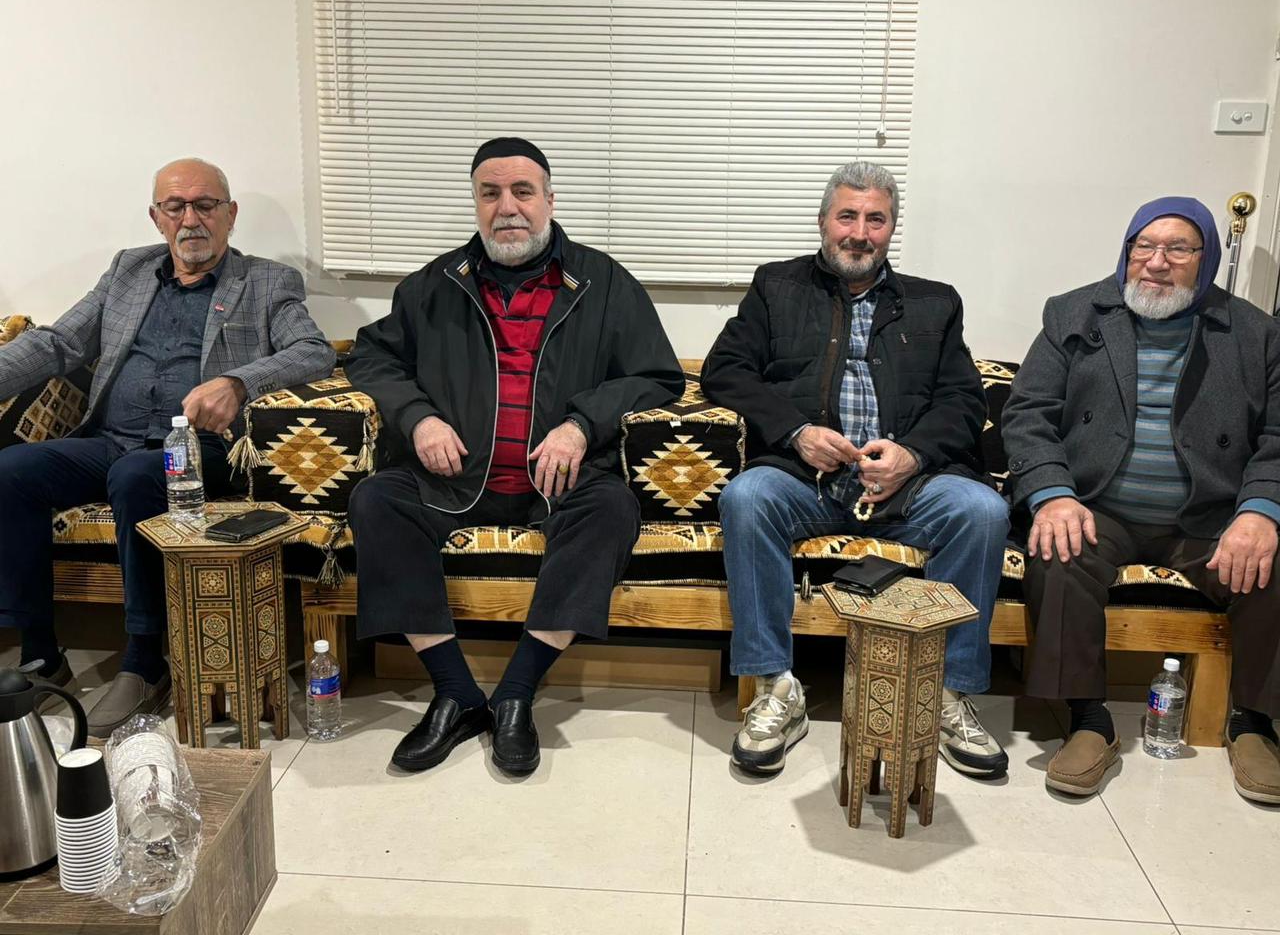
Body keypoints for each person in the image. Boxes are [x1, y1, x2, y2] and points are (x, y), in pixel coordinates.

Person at [345, 137, 683, 776]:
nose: (507, 207)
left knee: (612, 509)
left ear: (550, 200)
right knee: (375, 500)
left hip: (559, 482)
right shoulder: (434, 285)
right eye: (490, 193)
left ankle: (516, 693)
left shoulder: (603, 282)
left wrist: (581, 424)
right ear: (475, 203)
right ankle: (454, 692)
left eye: (523, 192)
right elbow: (371, 356)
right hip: (453, 479)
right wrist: (418, 419)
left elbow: (658, 375)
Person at [0, 157, 335, 737]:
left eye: (205, 205)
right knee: (11, 469)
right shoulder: (127, 271)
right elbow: (59, 344)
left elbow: (314, 350)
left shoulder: (266, 281)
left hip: (200, 452)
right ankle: (39, 651)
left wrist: (237, 383)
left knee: (135, 475)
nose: (191, 219)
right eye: (175, 206)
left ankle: (144, 659)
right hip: (110, 441)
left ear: (230, 214)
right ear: (156, 218)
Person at [702, 161, 1010, 778]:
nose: (860, 233)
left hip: (910, 485)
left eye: (876, 219)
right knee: (746, 498)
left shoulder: (935, 302)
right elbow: (725, 370)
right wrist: (797, 432)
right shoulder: (776, 287)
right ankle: (775, 689)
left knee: (982, 511)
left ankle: (946, 696)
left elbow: (963, 399)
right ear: (823, 222)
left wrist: (912, 454)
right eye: (848, 216)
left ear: (892, 228)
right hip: (806, 481)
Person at [1004, 196, 1280, 802]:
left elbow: (1277, 437)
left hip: (1209, 518)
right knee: (1057, 552)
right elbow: (1027, 413)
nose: (1156, 262)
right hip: (1099, 506)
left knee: (1273, 563)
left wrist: (1260, 511)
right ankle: (1087, 720)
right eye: (1144, 246)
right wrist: (1053, 494)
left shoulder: (1257, 333)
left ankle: (1254, 722)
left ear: (1205, 259)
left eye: (1178, 249)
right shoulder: (1072, 312)